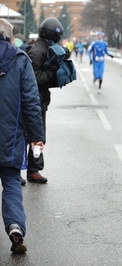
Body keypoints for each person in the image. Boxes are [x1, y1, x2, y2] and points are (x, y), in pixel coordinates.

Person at [0, 18, 45, 252]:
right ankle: (15, 225)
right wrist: (37, 136)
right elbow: (31, 101)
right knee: (11, 182)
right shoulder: (19, 59)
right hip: (10, 136)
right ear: (10, 37)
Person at [26, 17, 67, 183]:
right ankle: (32, 170)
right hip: (33, 101)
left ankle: (32, 169)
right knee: (35, 134)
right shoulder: (38, 51)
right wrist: (52, 69)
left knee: (35, 134)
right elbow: (34, 79)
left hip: (39, 99)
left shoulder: (45, 48)